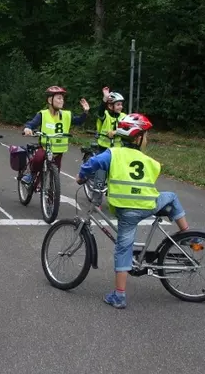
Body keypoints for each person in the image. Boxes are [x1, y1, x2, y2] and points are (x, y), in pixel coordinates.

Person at [76, 113, 198, 309]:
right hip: (148, 206)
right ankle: (189, 235)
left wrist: (81, 177)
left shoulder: (112, 153)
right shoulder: (149, 161)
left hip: (126, 211)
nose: (146, 140)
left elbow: (92, 164)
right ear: (137, 138)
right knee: (172, 197)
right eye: (146, 136)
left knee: (123, 248)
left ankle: (119, 295)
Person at [21, 86, 89, 184]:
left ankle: (51, 196)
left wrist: (85, 112)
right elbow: (32, 123)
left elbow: (78, 121)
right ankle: (32, 175)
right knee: (38, 159)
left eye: (62, 98)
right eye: (59, 98)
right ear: (50, 100)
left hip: (58, 151)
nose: (62, 101)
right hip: (45, 148)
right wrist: (28, 128)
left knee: (55, 179)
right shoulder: (43, 114)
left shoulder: (66, 115)